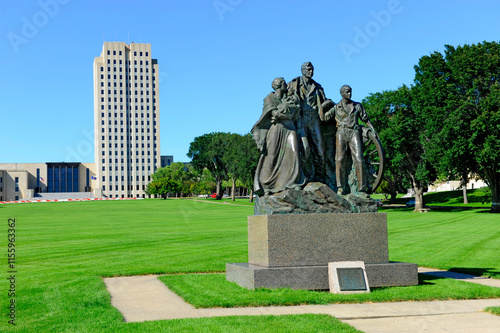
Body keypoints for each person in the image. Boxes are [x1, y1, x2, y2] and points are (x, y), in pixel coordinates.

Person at [252, 77, 306, 195]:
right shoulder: (269, 98)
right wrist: (283, 113)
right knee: (271, 156)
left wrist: (282, 113)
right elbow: (272, 112)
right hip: (276, 129)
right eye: (283, 83)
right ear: (279, 85)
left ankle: (292, 182)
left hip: (290, 127)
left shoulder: (290, 97)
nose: (286, 85)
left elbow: (294, 109)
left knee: (294, 152)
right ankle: (267, 185)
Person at [324, 85, 378, 195]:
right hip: (341, 133)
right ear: (342, 94)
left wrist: (373, 130)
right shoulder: (336, 107)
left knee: (359, 159)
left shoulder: (357, 106)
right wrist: (322, 107)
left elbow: (365, 119)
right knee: (339, 159)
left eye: (350, 92)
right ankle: (340, 187)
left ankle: (361, 188)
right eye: (347, 92)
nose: (349, 94)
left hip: (354, 132)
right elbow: (324, 118)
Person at [287, 62, 327, 183]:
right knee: (304, 149)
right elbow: (284, 98)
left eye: (312, 69)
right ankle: (304, 177)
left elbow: (324, 103)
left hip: (314, 119)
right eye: (308, 69)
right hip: (301, 119)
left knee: (320, 150)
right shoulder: (294, 84)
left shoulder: (318, 87)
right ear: (303, 71)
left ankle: (320, 178)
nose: (311, 71)